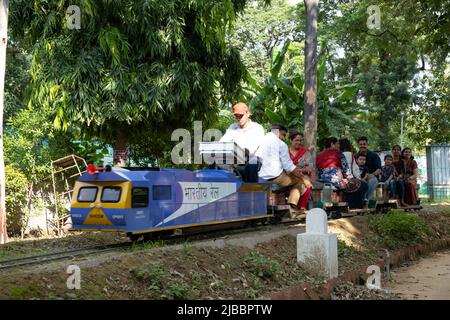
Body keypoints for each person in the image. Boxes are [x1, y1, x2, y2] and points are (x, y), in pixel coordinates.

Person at [258, 124, 312, 217]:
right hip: (276, 176)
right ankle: (292, 207)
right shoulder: (281, 144)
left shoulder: (261, 140)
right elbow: (289, 166)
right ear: (278, 132)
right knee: (300, 181)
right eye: (283, 135)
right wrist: (304, 178)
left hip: (261, 175)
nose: (283, 138)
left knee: (293, 177)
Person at [220, 102, 265, 182]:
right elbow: (222, 143)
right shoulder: (232, 127)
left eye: (241, 116)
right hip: (235, 159)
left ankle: (252, 191)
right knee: (214, 161)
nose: (239, 119)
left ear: (248, 114)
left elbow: (251, 150)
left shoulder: (257, 128)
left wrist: (240, 152)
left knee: (252, 163)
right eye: (236, 116)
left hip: (252, 160)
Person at [338, 138, 368, 209]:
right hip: (348, 180)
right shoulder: (349, 154)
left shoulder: (337, 154)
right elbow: (355, 169)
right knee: (364, 185)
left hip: (337, 179)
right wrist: (359, 179)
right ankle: (358, 205)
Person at [288, 130, 313, 211]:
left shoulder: (305, 152)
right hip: (289, 174)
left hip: (303, 175)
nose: (299, 142)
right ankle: (294, 205)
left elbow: (310, 167)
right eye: (296, 140)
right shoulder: (285, 152)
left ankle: (302, 207)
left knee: (306, 182)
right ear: (291, 140)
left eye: (300, 140)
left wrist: (299, 170)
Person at [357, 136, 381, 201]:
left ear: (367, 145)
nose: (362, 146)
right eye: (361, 144)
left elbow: (379, 169)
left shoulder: (374, 155)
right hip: (359, 177)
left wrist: (372, 175)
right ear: (358, 145)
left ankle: (366, 200)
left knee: (372, 181)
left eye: (364, 144)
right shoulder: (356, 156)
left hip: (372, 176)